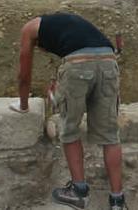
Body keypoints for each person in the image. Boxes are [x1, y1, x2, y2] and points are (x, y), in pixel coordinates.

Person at [13, 12, 126, 210]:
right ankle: (118, 201)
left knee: (69, 128)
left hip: (77, 66)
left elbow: (24, 75)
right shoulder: (69, 24)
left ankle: (78, 192)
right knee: (110, 135)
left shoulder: (29, 29)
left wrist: (24, 106)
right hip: (109, 61)